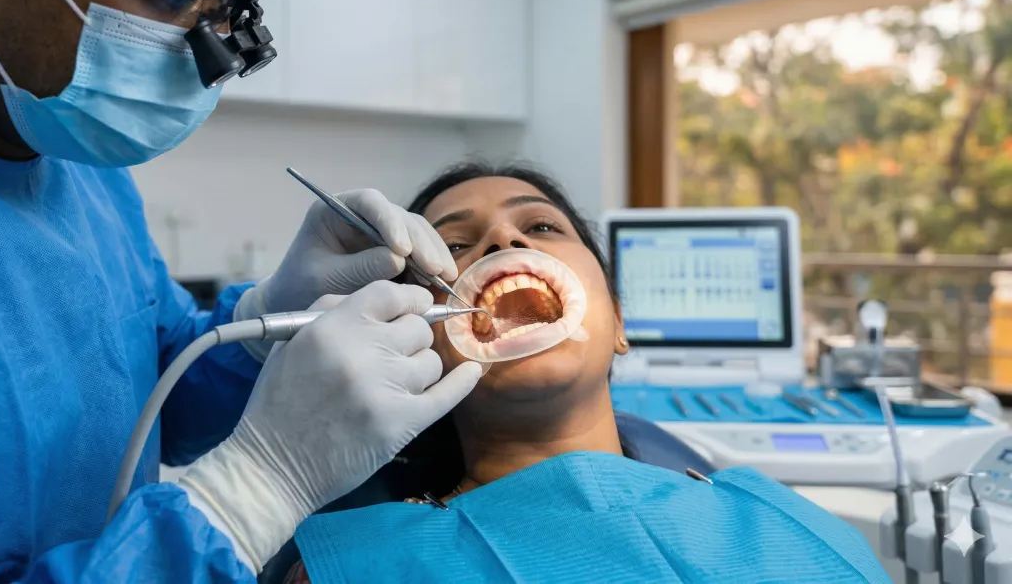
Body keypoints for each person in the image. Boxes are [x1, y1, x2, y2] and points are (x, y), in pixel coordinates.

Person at [0, 0, 483, 582]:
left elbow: (142, 389)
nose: (210, 57)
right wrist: (251, 493)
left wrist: (267, 325)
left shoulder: (50, 122)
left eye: (230, 6)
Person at [282, 163, 890, 583]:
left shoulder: (791, 525)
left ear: (618, 322)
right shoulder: (353, 567)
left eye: (542, 227)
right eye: (455, 246)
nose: (503, 236)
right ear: (422, 341)